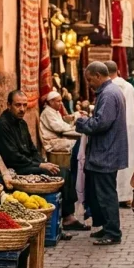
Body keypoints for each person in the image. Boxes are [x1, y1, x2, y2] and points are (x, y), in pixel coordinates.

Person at [75, 61, 128, 246]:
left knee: (106, 194)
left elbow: (101, 123)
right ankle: (108, 227)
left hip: (106, 153)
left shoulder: (108, 94)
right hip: (107, 151)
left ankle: (113, 232)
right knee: (104, 193)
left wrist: (82, 123)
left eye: (90, 80)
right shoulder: (110, 92)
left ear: (98, 76)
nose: (89, 84)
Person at [38, 91, 88, 232]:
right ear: (50, 102)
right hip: (52, 142)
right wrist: (76, 126)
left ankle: (69, 215)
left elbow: (62, 125)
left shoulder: (55, 112)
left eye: (61, 101)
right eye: (57, 101)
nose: (60, 103)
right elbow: (59, 128)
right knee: (76, 145)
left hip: (57, 138)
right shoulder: (48, 112)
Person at [0, 90, 60, 176]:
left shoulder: (22, 123)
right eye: (18, 105)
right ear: (9, 105)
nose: (22, 109)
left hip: (25, 165)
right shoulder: (0, 124)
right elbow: (12, 157)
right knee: (50, 173)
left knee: (59, 169)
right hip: (11, 168)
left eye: (25, 105)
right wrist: (40, 165)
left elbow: (32, 149)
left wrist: (43, 163)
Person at [104, 61, 134, 206]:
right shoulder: (129, 86)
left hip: (118, 129)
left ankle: (121, 195)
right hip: (130, 127)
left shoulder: (112, 88)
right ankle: (128, 194)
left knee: (119, 164)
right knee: (130, 161)